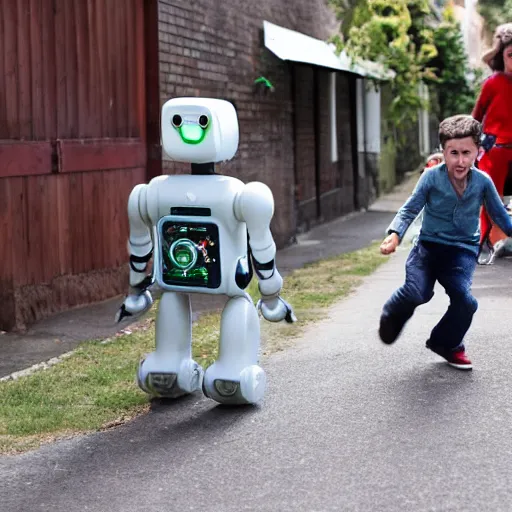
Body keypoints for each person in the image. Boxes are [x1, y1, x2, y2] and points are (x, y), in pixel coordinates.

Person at [378, 115, 512, 370]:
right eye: (453, 153)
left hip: (461, 252)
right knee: (418, 292)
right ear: (443, 151)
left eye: (466, 153)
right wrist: (395, 234)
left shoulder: (483, 182)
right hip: (428, 248)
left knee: (466, 301)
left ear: (477, 152)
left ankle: (446, 343)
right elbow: (409, 210)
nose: (460, 161)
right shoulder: (431, 177)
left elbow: (500, 217)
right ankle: (392, 314)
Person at [472, 22, 512, 265]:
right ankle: (484, 241)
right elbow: (476, 117)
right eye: (511, 55)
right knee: (489, 197)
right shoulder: (492, 83)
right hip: (495, 149)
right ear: (503, 57)